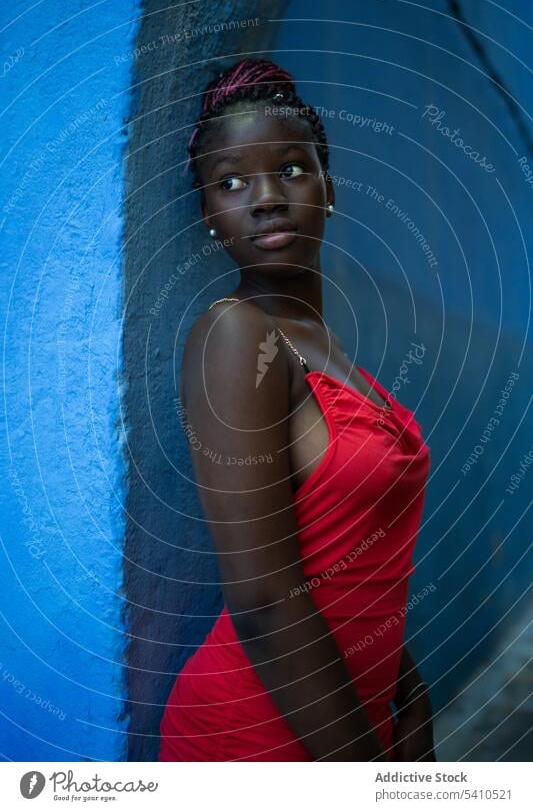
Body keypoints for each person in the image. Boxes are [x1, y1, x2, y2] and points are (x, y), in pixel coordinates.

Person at [159, 58, 436, 762]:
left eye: (289, 169)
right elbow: (261, 600)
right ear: (207, 217)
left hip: (347, 717)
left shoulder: (323, 344)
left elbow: (350, 560)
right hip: (256, 738)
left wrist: (406, 687)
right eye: (230, 182)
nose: (264, 199)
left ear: (329, 188)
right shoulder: (234, 335)